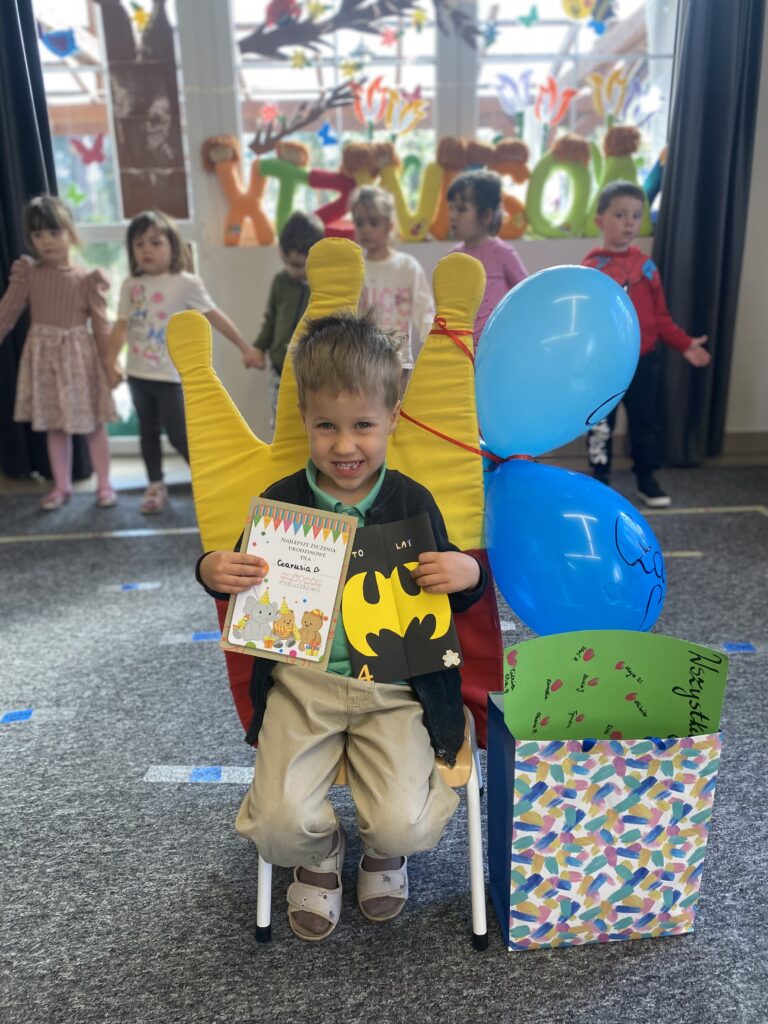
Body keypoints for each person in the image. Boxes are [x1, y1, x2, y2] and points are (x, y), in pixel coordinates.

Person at [196, 313, 486, 941]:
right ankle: (320, 849)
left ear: (392, 418)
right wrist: (212, 569)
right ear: (304, 419)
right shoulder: (282, 501)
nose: (344, 446)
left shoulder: (412, 500)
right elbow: (238, 578)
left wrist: (466, 572)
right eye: (326, 425)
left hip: (396, 689)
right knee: (277, 827)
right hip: (303, 686)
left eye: (363, 426)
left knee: (405, 826)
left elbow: (453, 599)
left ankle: (384, 850)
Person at [110, 210, 260, 514]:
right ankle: (155, 484)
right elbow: (121, 326)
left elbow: (215, 316)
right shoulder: (130, 285)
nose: (147, 249)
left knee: (180, 435)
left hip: (170, 377)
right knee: (148, 433)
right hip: (138, 374)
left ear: (173, 246)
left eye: (155, 242)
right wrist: (108, 363)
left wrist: (245, 348)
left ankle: (214, 480)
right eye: (139, 244)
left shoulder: (185, 283)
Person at [584, 181, 711, 508]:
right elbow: (585, 320)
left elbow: (661, 318)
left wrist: (684, 344)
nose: (629, 222)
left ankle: (646, 478)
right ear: (600, 220)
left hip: (644, 361)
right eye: (620, 215)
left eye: (636, 215)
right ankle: (600, 480)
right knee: (600, 425)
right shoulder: (590, 268)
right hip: (605, 365)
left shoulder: (647, 268)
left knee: (645, 423)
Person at [0, 195, 120, 511]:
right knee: (55, 425)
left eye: (53, 232)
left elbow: (102, 326)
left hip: (79, 359)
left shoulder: (87, 279)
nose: (46, 241)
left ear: (70, 232)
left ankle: (104, 485)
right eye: (38, 234)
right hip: (44, 360)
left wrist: (110, 364)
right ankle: (62, 487)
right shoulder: (28, 273)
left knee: (94, 423)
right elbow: (6, 314)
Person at [351, 185, 434, 388]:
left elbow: (425, 310)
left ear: (389, 225)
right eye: (360, 223)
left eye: (374, 222)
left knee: (399, 408)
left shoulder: (406, 266)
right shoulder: (355, 270)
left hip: (399, 363)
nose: (366, 229)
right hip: (364, 364)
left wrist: (434, 346)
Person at [251, 210, 325, 430]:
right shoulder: (280, 282)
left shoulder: (322, 288)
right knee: (281, 424)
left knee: (309, 423)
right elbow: (270, 320)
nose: (293, 271)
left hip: (312, 371)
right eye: (288, 263)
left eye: (299, 265)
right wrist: (258, 347)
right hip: (279, 368)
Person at [447, 169, 528, 349]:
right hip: (460, 349)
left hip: (497, 348)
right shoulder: (452, 258)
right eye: (450, 208)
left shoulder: (502, 253)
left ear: (486, 215)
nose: (452, 215)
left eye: (461, 209)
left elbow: (527, 294)